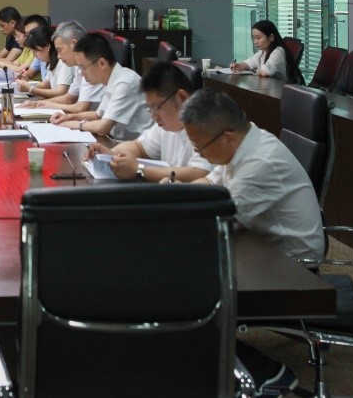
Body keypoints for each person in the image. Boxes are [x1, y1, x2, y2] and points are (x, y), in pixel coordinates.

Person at [180, 88, 324, 395]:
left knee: (187, 287)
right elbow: (209, 185)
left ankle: (265, 373)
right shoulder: (243, 142)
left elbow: (214, 219)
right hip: (261, 249)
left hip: (292, 272)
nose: (200, 155)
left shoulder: (261, 162)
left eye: (199, 147)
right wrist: (168, 196)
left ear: (227, 137)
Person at [89, 61, 213, 182]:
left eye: (157, 107)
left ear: (182, 97)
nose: (154, 116)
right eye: (150, 109)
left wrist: (139, 170)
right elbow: (139, 147)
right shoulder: (168, 125)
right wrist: (112, 155)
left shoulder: (207, 122)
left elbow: (200, 173)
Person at [50, 32, 153, 140]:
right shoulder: (111, 78)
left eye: (83, 67)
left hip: (136, 146)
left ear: (102, 63)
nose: (82, 73)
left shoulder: (125, 83)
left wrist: (74, 124)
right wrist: (68, 117)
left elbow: (102, 128)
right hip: (117, 141)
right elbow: (98, 115)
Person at [231, 20, 303, 84]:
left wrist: (256, 71)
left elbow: (265, 72)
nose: (255, 42)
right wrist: (239, 66)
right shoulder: (262, 52)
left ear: (271, 37)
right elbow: (250, 63)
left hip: (282, 91)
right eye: (254, 38)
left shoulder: (279, 51)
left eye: (258, 38)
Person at [20, 20, 76, 99]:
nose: (35, 55)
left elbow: (61, 92)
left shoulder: (63, 61)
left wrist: (31, 89)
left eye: (36, 51)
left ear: (48, 47)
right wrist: (27, 83)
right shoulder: (50, 61)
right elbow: (46, 84)